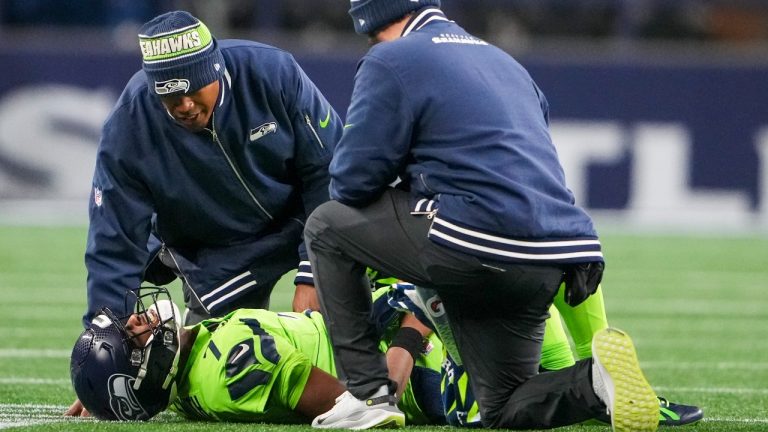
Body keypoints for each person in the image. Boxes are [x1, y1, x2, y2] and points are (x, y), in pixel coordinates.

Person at [303, 1, 660, 431]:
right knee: (502, 407)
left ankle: (367, 394)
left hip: (473, 241)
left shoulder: (392, 58)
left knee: (326, 225)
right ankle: (594, 383)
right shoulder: (504, 61)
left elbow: (352, 182)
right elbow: (533, 164)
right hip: (553, 255)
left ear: (370, 20)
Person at [82, 9, 341, 329]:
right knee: (222, 356)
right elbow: (114, 240)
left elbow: (328, 169)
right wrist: (106, 328)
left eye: (193, 88)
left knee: (367, 297)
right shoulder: (130, 123)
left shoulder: (272, 72)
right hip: (219, 252)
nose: (184, 105)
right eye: (170, 95)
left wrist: (315, 271)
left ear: (215, 70)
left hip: (302, 218)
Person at [66, 286, 446, 425]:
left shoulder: (184, 375)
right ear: (144, 372)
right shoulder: (233, 362)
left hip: (365, 325)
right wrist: (413, 329)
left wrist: (103, 385)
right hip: (418, 366)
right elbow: (367, 404)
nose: (135, 318)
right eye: (130, 335)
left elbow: (141, 387)